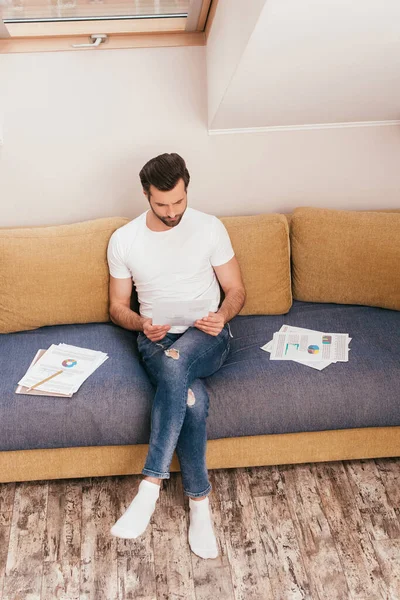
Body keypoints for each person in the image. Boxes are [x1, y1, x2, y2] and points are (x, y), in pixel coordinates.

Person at [106, 152, 246, 559]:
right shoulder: (125, 239)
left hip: (207, 337)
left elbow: (236, 289)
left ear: (187, 188)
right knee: (191, 397)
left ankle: (150, 486)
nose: (171, 212)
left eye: (178, 202)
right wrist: (141, 323)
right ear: (146, 195)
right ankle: (200, 507)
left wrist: (222, 315)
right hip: (156, 340)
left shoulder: (210, 227)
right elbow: (117, 306)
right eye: (161, 204)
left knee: (177, 362)